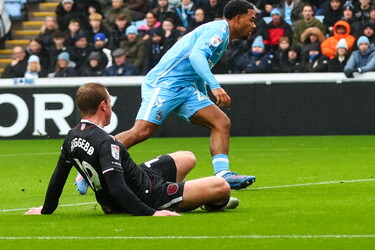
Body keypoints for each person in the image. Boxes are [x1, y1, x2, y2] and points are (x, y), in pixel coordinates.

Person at [76, 0, 259, 195]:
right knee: (141, 131)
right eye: (251, 19)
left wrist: (203, 94)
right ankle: (89, 166)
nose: (254, 25)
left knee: (221, 122)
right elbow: (196, 56)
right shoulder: (219, 30)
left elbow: (195, 67)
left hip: (185, 88)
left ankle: (223, 174)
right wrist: (215, 86)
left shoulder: (221, 35)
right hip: (164, 84)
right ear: (238, 19)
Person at [26, 83, 238, 217]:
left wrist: (46, 209)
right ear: (103, 106)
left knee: (187, 157)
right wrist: (152, 212)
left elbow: (57, 178)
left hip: (141, 178)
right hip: (148, 196)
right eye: (110, 102)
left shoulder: (71, 137)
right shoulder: (106, 142)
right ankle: (202, 203)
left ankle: (185, 194)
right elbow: (117, 188)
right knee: (221, 186)